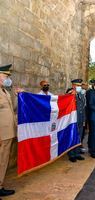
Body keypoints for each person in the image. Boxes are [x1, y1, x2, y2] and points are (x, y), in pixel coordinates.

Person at [0, 64, 22, 197]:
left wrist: (18, 96)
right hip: (1, 134)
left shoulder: (5, 92)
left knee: (3, 160)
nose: (8, 79)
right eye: (6, 76)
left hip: (8, 133)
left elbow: (12, 110)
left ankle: (0, 185)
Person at [66, 79, 86, 162]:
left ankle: (77, 153)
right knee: (72, 136)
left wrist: (84, 119)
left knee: (79, 136)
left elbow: (83, 107)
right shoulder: (70, 93)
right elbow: (66, 102)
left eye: (80, 86)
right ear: (73, 86)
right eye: (77, 85)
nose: (79, 87)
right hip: (73, 119)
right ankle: (71, 154)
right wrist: (71, 95)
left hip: (80, 118)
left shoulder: (81, 94)